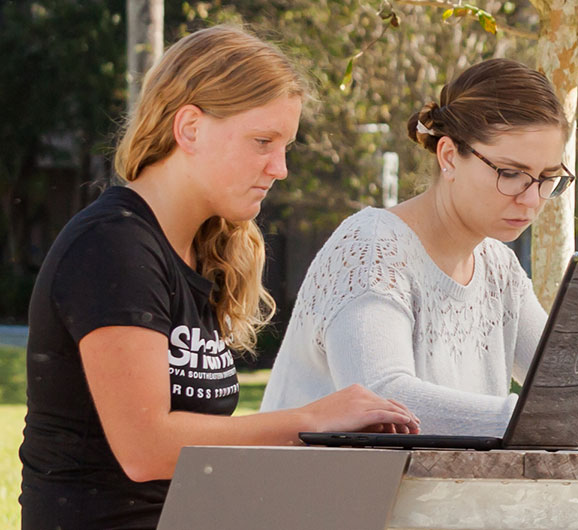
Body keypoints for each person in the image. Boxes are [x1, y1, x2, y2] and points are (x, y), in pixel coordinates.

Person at [19, 25, 420, 529]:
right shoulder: (113, 246)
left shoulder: (201, 251)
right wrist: (312, 420)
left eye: (285, 146)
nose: (280, 167)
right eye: (262, 141)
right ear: (189, 129)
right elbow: (146, 448)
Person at [258, 59, 578, 439]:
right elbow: (382, 400)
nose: (532, 199)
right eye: (511, 173)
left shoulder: (497, 267)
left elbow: (568, 386)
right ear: (449, 155)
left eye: (547, 177)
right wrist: (561, 413)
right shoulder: (371, 249)